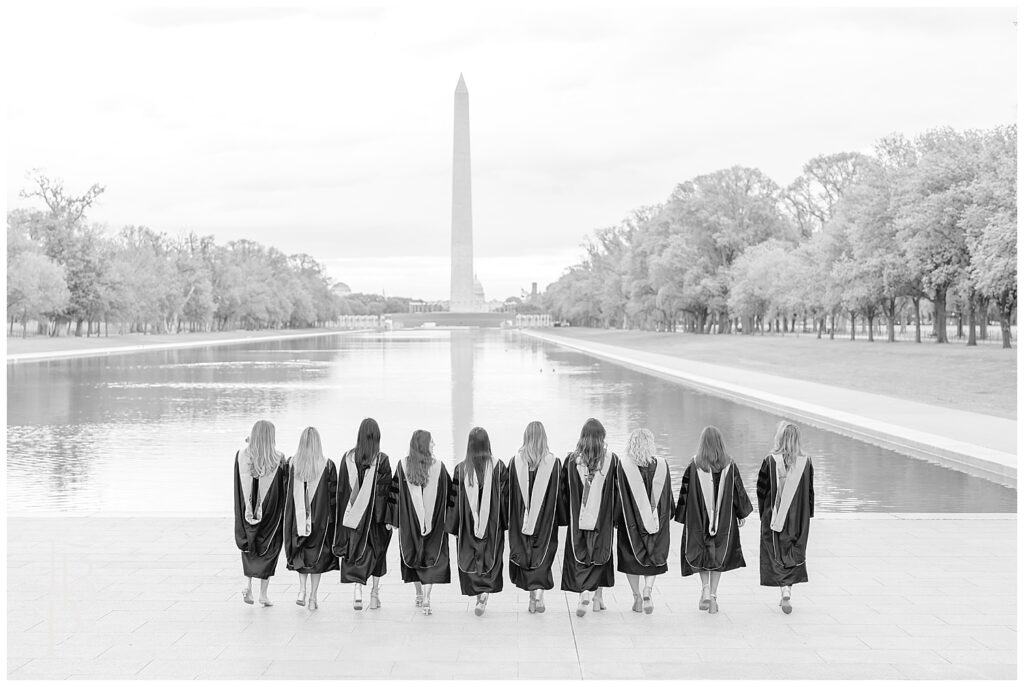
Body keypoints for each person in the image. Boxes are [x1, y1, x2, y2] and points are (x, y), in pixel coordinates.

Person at [674, 425, 753, 614]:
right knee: (718, 554)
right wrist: (741, 514)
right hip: (724, 520)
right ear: (720, 443)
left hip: (699, 521)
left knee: (702, 553)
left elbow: (684, 494)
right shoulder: (730, 465)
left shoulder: (694, 465)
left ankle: (705, 588)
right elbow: (738, 491)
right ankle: (714, 596)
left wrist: (685, 518)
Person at [385, 429, 453, 616]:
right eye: (431, 442)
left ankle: (418, 593)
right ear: (424, 445)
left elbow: (394, 495)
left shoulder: (403, 466)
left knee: (414, 557)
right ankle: (427, 597)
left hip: (410, 524)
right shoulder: (439, 467)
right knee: (431, 559)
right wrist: (451, 520)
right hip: (435, 525)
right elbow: (450, 496)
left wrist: (392, 520)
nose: (434, 445)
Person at [559, 418, 619, 617]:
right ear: (601, 438)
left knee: (581, 558)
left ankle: (589, 595)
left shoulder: (570, 461)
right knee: (600, 558)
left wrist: (565, 516)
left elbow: (563, 492)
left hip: (578, 520)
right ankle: (595, 597)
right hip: (602, 522)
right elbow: (617, 492)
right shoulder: (612, 460)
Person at [447, 427, 509, 616]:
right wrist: (504, 523)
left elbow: (454, 501)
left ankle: (478, 596)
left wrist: (453, 525)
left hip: (467, 526)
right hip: (492, 525)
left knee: (471, 559)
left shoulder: (461, 469)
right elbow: (506, 499)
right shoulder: (499, 467)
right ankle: (484, 595)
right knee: (490, 556)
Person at [334, 418, 393, 611]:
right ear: (377, 437)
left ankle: (357, 591)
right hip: (374, 520)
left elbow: (342, 490)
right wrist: (384, 520)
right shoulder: (382, 459)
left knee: (356, 554)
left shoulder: (347, 458)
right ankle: (374, 595)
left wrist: (345, 517)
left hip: (353, 519)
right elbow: (384, 494)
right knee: (377, 554)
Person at [756, 420, 815, 614]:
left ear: (780, 438)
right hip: (799, 518)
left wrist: (762, 513)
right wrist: (808, 516)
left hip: (775, 516)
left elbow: (762, 490)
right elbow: (810, 492)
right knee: (792, 553)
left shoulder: (771, 461)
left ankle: (783, 590)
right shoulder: (806, 462)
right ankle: (788, 590)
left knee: (776, 553)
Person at [615, 428, 673, 614]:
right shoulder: (662, 465)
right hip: (656, 523)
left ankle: (637, 597)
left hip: (630, 523)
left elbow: (618, 498)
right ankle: (648, 590)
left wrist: (616, 519)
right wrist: (667, 515)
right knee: (652, 558)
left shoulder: (623, 466)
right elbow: (667, 497)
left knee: (631, 559)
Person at [507, 421, 561, 614]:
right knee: (542, 558)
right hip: (545, 522)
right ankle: (538, 597)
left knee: (528, 558)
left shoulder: (515, 462)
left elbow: (508, 496)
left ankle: (532, 597)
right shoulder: (553, 463)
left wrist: (508, 521)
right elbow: (559, 496)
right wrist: (561, 519)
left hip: (521, 521)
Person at [233, 420, 289, 607]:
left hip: (246, 511)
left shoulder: (241, 455)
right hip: (271, 515)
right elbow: (283, 489)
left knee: (250, 545)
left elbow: (238, 486)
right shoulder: (279, 459)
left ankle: (247, 584)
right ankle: (263, 595)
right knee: (269, 550)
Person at [283, 426, 338, 610]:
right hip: (319, 521)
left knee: (301, 554)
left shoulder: (291, 463)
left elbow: (286, 493)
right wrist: (332, 523)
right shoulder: (327, 465)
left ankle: (301, 589)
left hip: (297, 520)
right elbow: (333, 498)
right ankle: (314, 597)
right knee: (317, 557)